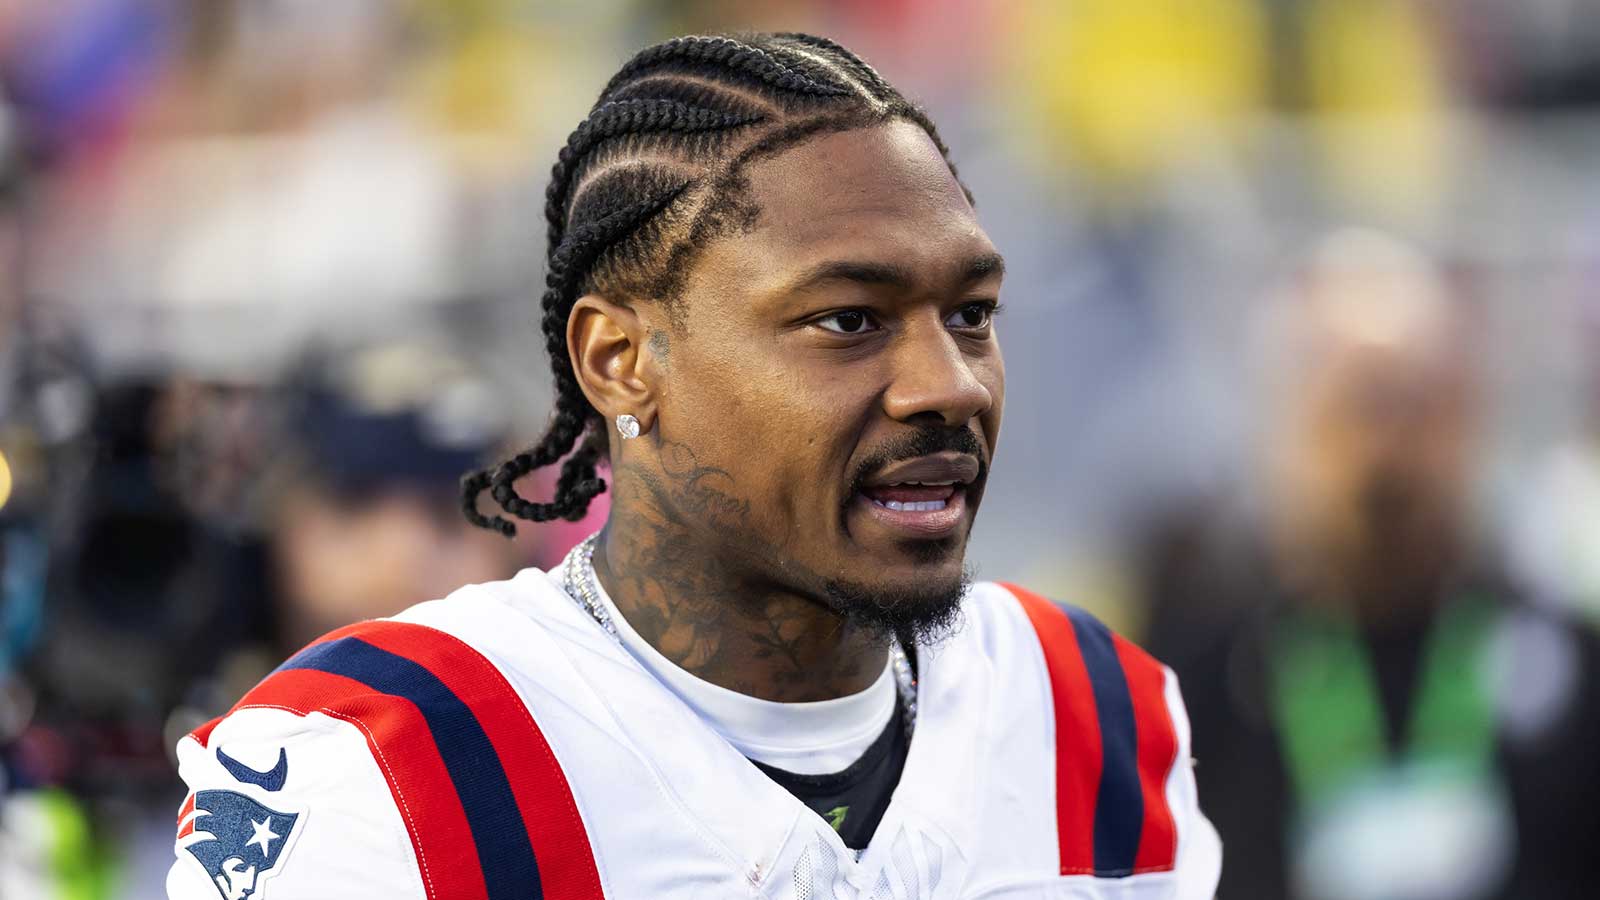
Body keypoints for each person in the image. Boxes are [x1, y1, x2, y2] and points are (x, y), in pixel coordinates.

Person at [166, 33, 1220, 900]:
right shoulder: (384, 769)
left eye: (971, 314)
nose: (948, 386)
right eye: (848, 320)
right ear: (619, 362)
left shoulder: (1090, 708)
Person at [1142, 232, 1600, 900]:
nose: (1389, 447)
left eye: (1419, 404)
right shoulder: (1188, 681)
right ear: (1290, 423)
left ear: (1470, 417)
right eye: (1361, 404)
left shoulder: (1571, 668)